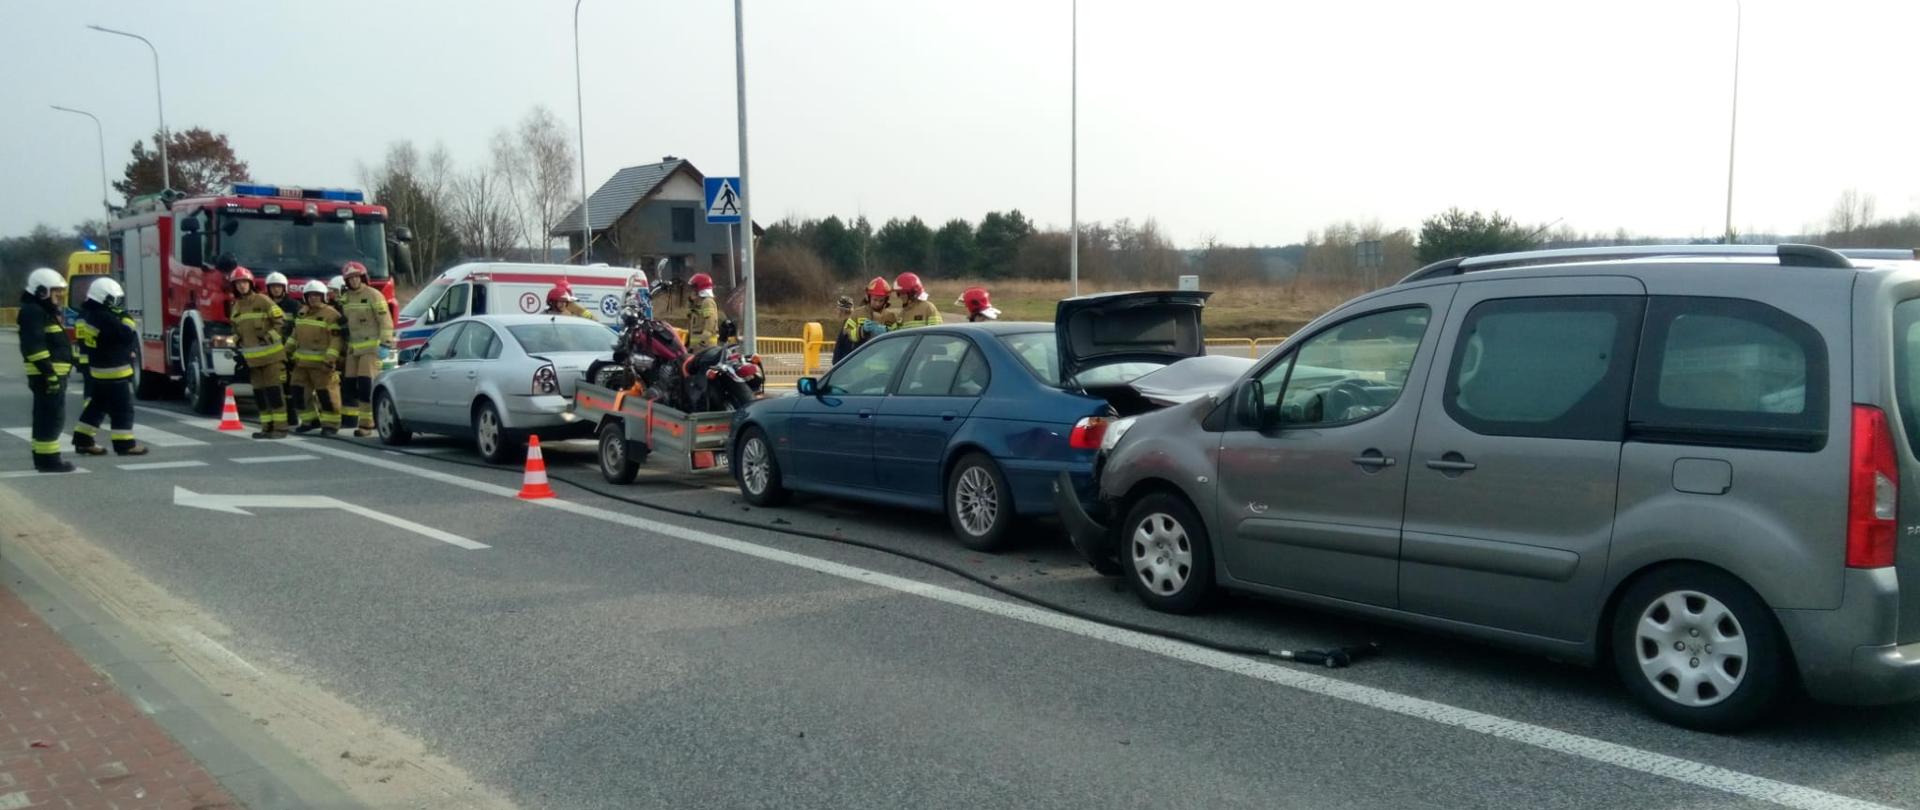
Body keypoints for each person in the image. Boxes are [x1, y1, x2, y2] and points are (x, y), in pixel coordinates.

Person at [70, 279, 147, 457]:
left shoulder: (87, 315)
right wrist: (127, 319)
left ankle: (83, 440)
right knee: (123, 409)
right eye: (114, 300)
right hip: (114, 371)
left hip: (99, 370)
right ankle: (124, 444)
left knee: (96, 407)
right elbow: (126, 336)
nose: (117, 304)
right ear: (103, 298)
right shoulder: (104, 317)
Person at [18, 268, 76, 473]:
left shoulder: (41, 311)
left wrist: (74, 360)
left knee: (47, 417)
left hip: (50, 374)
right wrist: (49, 374)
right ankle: (49, 461)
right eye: (55, 291)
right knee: (51, 418)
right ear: (42, 291)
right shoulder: (33, 312)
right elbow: (34, 347)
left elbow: (54, 344)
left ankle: (43, 458)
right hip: (47, 375)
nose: (59, 295)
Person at [226, 267, 290, 438]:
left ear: (251, 283)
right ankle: (266, 427)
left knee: (274, 393)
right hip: (253, 361)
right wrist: (236, 341)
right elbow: (234, 329)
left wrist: (269, 337)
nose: (241, 286)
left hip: (272, 358)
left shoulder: (263, 300)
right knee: (260, 395)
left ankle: (280, 428)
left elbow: (281, 321)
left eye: (244, 282)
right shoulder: (237, 307)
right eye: (238, 283)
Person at [337, 261, 393, 437]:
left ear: (362, 277)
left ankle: (367, 424)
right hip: (353, 349)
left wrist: (385, 343)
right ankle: (352, 420)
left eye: (356, 277)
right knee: (349, 386)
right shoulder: (345, 298)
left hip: (371, 349)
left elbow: (385, 321)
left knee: (365, 386)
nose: (354, 281)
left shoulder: (374, 295)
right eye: (350, 278)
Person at [287, 281, 345, 435]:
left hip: (322, 365)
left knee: (326, 395)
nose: (313, 298)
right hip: (301, 364)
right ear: (305, 297)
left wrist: (330, 359)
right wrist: (286, 352)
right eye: (310, 295)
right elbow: (294, 335)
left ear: (323, 296)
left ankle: (331, 425)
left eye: (317, 295)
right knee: (298, 392)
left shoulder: (331, 315)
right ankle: (310, 421)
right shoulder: (302, 312)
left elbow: (336, 339)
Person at [265, 272, 301, 426]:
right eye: (273, 287)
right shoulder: (265, 305)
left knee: (289, 385)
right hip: (270, 351)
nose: (276, 289)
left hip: (289, 351)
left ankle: (292, 417)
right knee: (273, 384)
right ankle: (277, 416)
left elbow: (300, 327)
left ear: (284, 288)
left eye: (279, 286)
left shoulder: (294, 306)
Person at [842, 277, 897, 350]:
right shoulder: (857, 314)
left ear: (886, 300)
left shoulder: (890, 316)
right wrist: (862, 330)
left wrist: (887, 331)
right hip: (863, 354)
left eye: (881, 300)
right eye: (875, 300)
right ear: (868, 297)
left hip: (883, 353)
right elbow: (846, 334)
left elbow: (896, 338)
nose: (877, 304)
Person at [685, 273, 721, 348]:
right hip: (697, 347)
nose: (692, 290)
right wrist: (691, 301)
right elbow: (689, 314)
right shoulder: (699, 303)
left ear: (700, 288)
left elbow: (710, 323)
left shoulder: (707, 302)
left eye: (694, 287)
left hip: (705, 347)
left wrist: (703, 341)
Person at [830, 296, 857, 363]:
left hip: (845, 365)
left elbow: (848, 349)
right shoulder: (847, 323)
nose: (836, 311)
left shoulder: (849, 326)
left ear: (842, 311)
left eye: (837, 309)